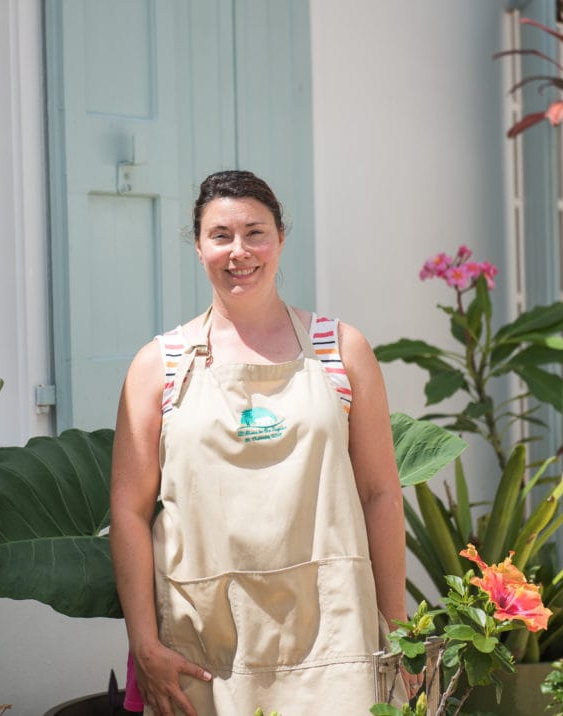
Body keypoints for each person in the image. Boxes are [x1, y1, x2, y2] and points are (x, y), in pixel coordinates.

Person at [110, 170, 411, 714]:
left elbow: (380, 494)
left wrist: (400, 631)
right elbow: (129, 512)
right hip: (204, 641)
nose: (239, 251)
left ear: (280, 239)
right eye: (220, 235)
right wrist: (145, 643)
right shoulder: (159, 365)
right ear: (198, 247)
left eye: (255, 233)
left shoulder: (342, 350)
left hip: (335, 634)